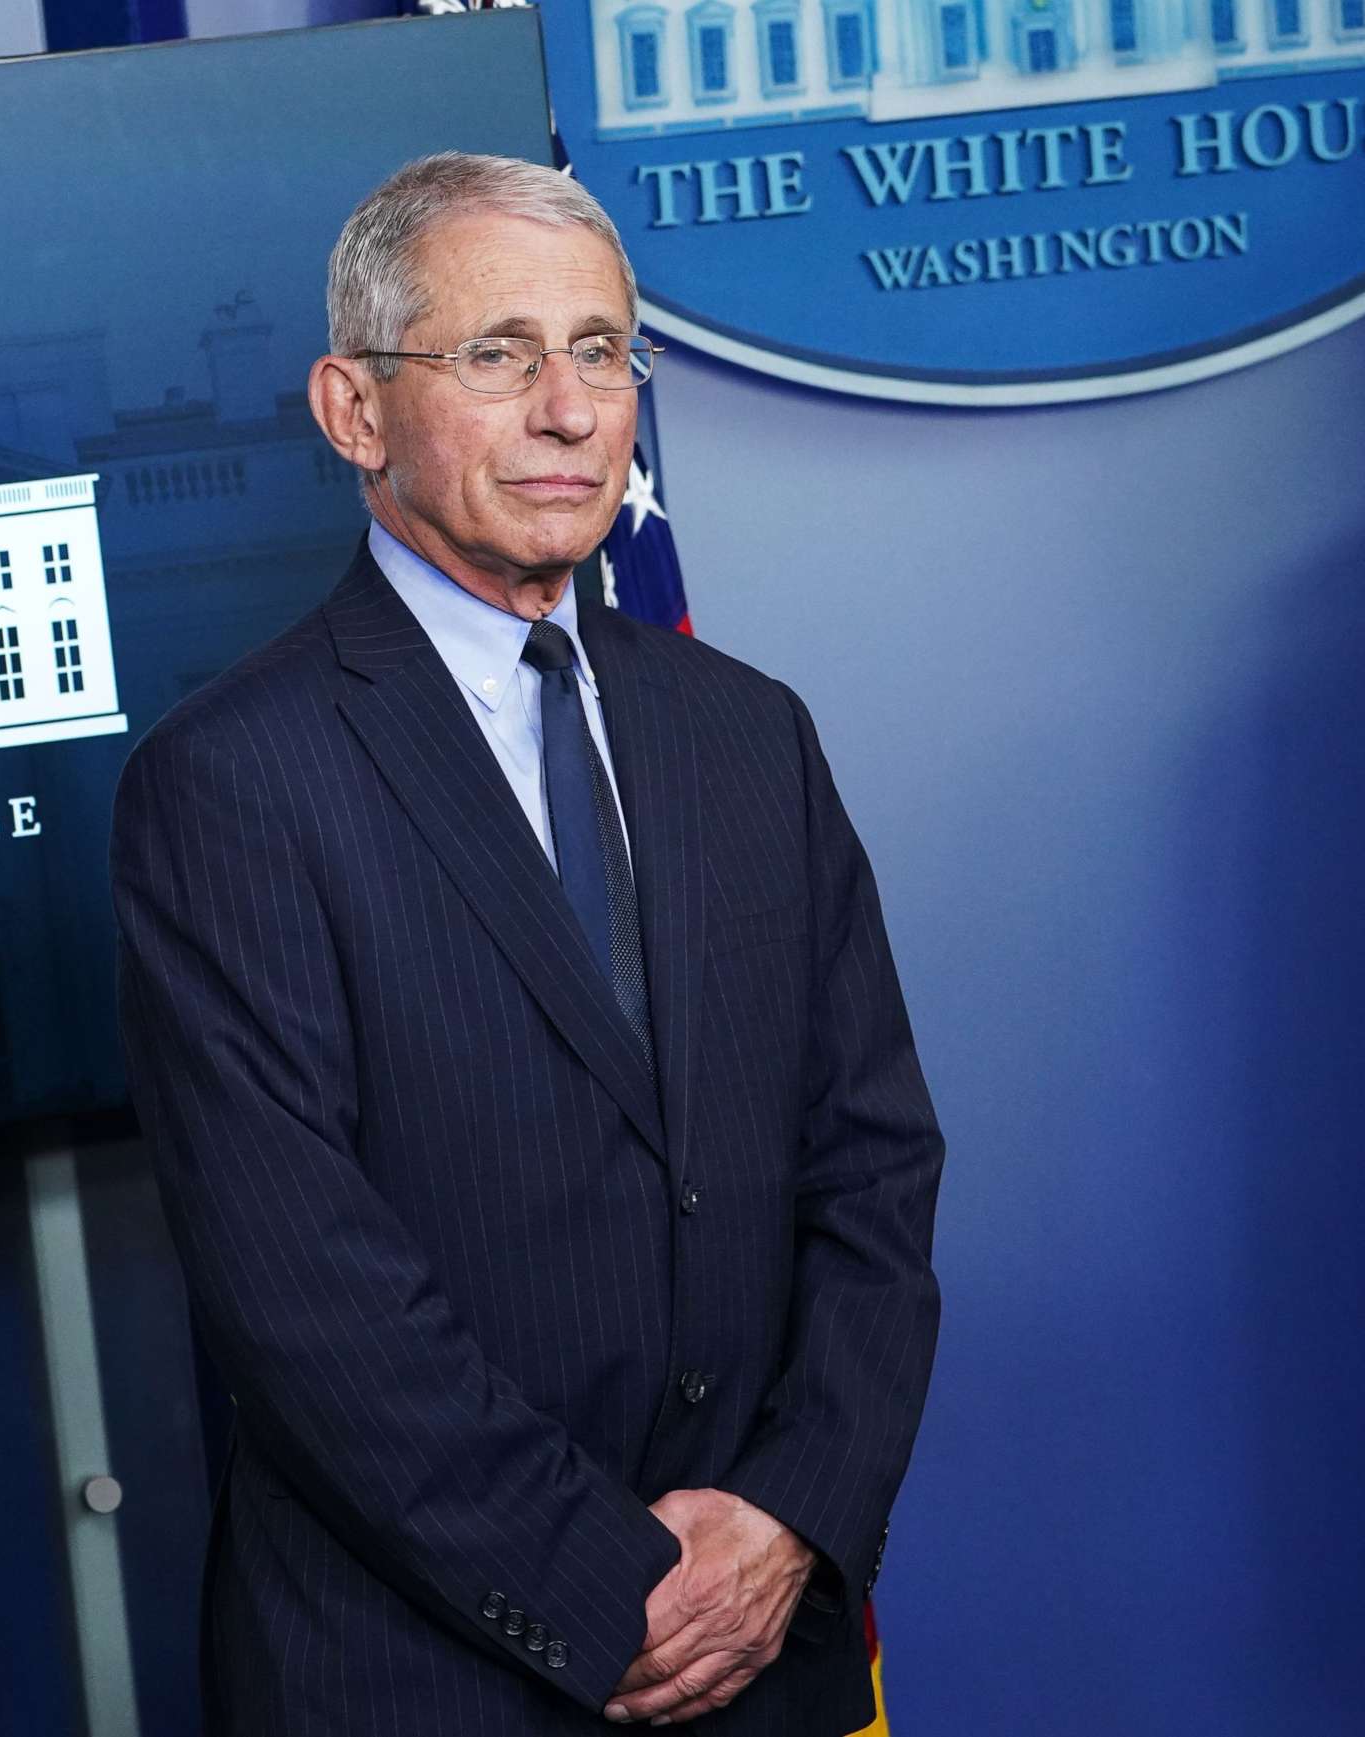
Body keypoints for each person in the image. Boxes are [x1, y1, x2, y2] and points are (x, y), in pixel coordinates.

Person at [108, 152, 946, 1734]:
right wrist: (606, 1585)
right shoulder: (231, 783)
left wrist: (785, 1525)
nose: (569, 409)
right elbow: (308, 1294)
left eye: (601, 351)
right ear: (354, 410)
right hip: (436, 1670)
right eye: (497, 354)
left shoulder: (746, 732)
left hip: (770, 1652)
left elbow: (877, 1171)